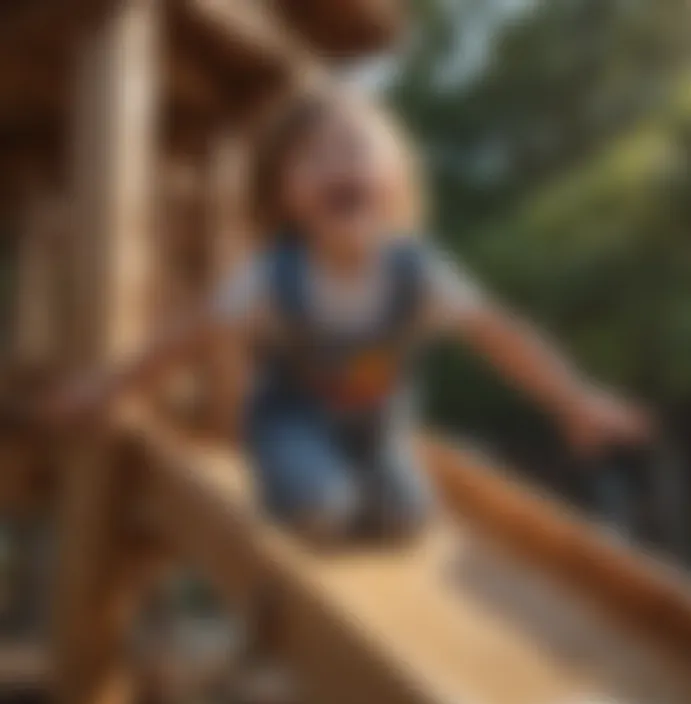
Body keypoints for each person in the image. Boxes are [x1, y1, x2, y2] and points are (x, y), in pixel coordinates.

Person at [47, 88, 649, 544]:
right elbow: (187, 338)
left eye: (357, 147)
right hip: (293, 419)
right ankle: (299, 483)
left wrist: (573, 398)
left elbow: (500, 335)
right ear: (282, 193)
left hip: (376, 426)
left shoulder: (418, 271)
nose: (338, 160)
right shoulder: (270, 275)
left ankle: (364, 485)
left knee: (407, 521)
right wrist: (108, 388)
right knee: (320, 508)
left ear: (395, 181)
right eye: (313, 155)